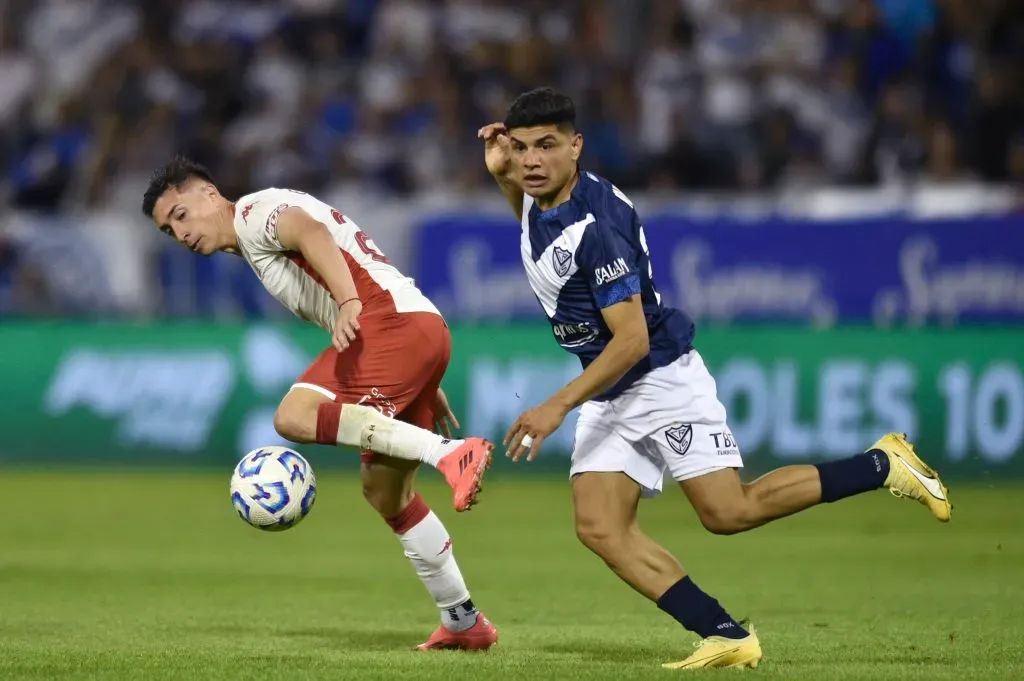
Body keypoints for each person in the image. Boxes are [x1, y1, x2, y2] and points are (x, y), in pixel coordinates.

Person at [478, 87, 952, 670]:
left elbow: (632, 341)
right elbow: (531, 214)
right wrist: (503, 176)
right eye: (521, 148)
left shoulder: (596, 226)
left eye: (546, 146)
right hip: (612, 387)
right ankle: (724, 632)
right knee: (600, 526)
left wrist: (557, 406)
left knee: (729, 512)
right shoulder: (540, 198)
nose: (530, 160)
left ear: (576, 147)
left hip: (656, 378)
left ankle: (882, 464)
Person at [142, 156, 497, 651]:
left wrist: (351, 303)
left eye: (179, 215)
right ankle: (463, 621)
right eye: (167, 230)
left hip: (387, 323)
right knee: (385, 493)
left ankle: (448, 453)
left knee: (294, 416)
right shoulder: (251, 240)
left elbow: (309, 230)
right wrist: (419, 374)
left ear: (208, 193)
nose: (179, 233)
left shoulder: (252, 214)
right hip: (413, 328)